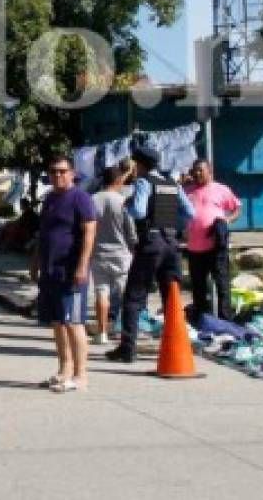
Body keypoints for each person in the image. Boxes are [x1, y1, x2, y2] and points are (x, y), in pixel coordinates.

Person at [105, 143, 195, 364]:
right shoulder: (172, 183)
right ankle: (175, 343)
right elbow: (190, 213)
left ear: (139, 164)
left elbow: (140, 211)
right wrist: (172, 226)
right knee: (171, 296)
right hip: (172, 244)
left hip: (151, 243)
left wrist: (127, 206)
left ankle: (127, 348)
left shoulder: (144, 182)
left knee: (134, 296)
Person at [29, 153, 98, 393]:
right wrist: (36, 261)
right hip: (51, 270)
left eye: (62, 171)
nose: (57, 175)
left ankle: (81, 375)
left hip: (71, 271)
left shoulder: (81, 199)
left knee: (73, 322)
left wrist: (82, 265)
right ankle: (64, 369)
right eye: (53, 171)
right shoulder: (49, 200)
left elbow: (89, 233)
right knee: (57, 322)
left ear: (72, 173)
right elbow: (43, 232)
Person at [185, 158, 242, 323]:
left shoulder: (221, 189)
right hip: (195, 248)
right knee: (198, 287)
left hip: (215, 248)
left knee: (222, 284)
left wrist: (227, 220)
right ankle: (203, 319)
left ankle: (226, 320)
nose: (197, 174)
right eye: (194, 171)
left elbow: (237, 208)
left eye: (200, 171)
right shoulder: (188, 191)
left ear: (209, 172)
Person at [90, 160, 138, 346]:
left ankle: (102, 333)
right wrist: (134, 248)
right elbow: (131, 231)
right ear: (118, 180)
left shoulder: (93, 199)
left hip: (98, 254)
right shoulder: (122, 201)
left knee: (102, 293)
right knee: (125, 294)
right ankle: (125, 332)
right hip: (121, 254)